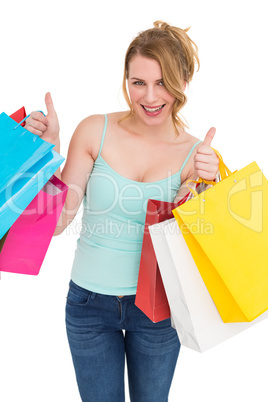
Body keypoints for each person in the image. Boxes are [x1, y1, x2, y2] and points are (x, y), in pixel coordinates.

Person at [25, 21, 219, 402]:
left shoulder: (194, 154)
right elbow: (57, 223)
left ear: (183, 82)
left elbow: (188, 233)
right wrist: (46, 155)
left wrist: (207, 185)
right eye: (138, 82)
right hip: (89, 306)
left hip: (158, 309)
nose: (149, 96)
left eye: (162, 83)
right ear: (125, 80)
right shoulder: (95, 130)